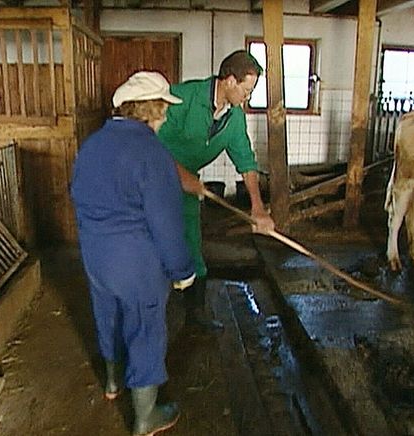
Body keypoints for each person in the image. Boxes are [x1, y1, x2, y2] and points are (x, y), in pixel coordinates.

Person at [70, 71, 196, 436]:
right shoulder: (151, 153)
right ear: (151, 109)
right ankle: (145, 418)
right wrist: (181, 269)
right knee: (144, 328)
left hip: (95, 254)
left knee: (107, 315)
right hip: (136, 262)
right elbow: (166, 222)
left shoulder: (91, 145)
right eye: (164, 108)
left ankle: (112, 384)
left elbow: (78, 193)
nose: (167, 116)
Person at [157, 50, 276, 331]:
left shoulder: (234, 118)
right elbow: (150, 145)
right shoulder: (181, 98)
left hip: (188, 187)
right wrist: (183, 177)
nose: (248, 98)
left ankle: (195, 316)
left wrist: (257, 207)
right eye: (246, 90)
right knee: (151, 246)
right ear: (229, 81)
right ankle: (148, 316)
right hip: (152, 182)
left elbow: (246, 161)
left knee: (192, 246)